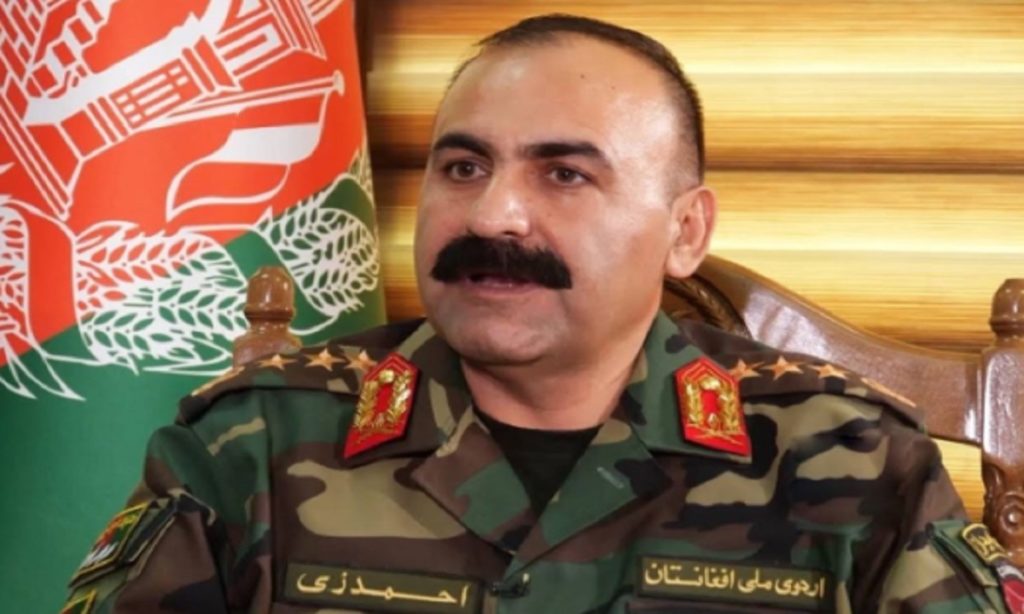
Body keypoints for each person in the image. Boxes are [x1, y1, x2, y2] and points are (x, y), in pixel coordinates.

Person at [62, 14, 1018, 614]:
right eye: (463, 166)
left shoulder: (853, 462)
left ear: (685, 231)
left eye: (564, 174)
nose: (492, 216)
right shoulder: (255, 445)